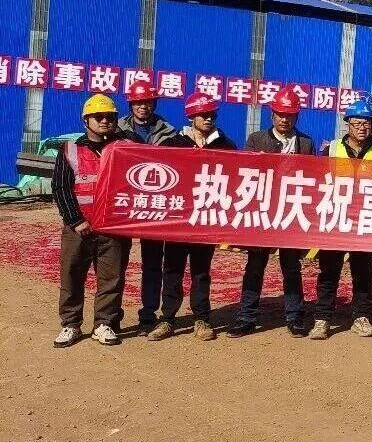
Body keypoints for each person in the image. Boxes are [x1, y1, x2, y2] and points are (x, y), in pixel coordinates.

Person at [148, 93, 236, 342]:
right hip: (178, 220)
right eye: (203, 115)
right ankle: (167, 319)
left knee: (201, 271)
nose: (208, 119)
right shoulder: (173, 144)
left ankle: (202, 318)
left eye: (212, 114)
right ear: (191, 117)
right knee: (172, 269)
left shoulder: (226, 146)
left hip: (206, 220)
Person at [227, 89, 311, 338]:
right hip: (262, 214)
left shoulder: (306, 143)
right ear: (272, 115)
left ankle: (295, 317)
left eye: (290, 115)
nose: (285, 119)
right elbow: (246, 174)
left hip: (290, 213)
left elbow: (312, 179)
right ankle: (246, 317)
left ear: (296, 116)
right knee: (255, 266)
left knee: (291, 267)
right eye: (280, 114)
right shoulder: (256, 140)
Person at [52, 94, 131, 347]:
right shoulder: (70, 150)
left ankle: (104, 323)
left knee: (112, 278)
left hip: (113, 228)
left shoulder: (126, 148)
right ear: (86, 120)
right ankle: (71, 324)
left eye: (110, 117)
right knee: (72, 276)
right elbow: (61, 188)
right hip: (79, 228)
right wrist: (76, 220)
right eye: (98, 117)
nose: (105, 121)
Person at [310, 98, 372, 341]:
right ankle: (322, 318)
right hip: (336, 219)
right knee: (328, 271)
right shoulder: (331, 149)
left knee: (363, 272)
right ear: (348, 124)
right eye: (357, 123)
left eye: (366, 123)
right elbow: (317, 180)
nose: (362, 128)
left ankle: (361, 317)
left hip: (365, 220)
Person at [117, 80, 177, 334]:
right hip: (123, 205)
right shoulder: (116, 130)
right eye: (139, 102)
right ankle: (111, 316)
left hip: (155, 206)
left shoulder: (169, 133)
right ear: (131, 104)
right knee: (115, 262)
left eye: (148, 102)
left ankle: (149, 315)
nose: (143, 106)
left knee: (153, 262)